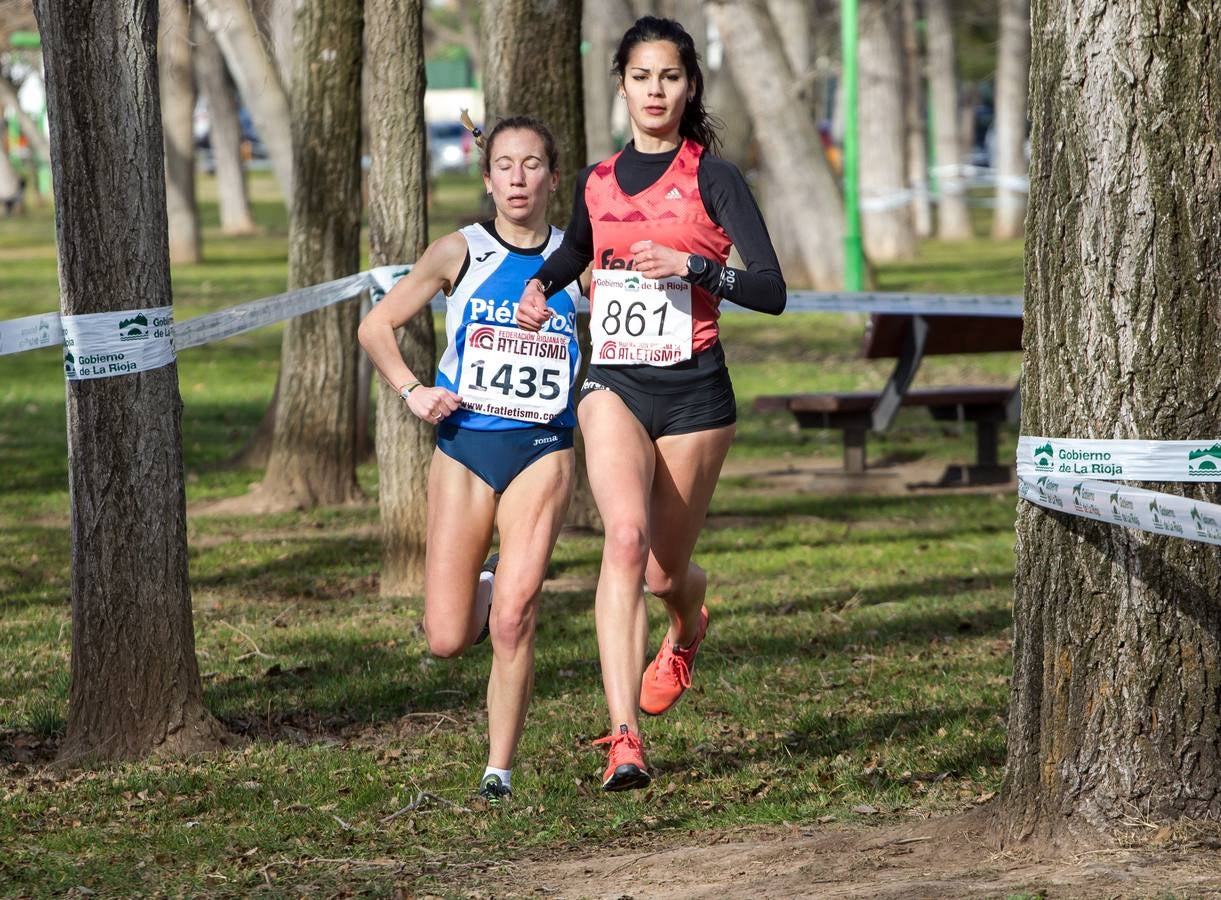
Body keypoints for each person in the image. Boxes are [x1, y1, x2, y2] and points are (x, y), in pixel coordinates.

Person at [517, 16, 786, 791]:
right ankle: (624, 739)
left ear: (689, 86)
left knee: (667, 576)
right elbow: (574, 250)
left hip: (697, 395)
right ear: (622, 84)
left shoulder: (714, 177)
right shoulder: (596, 181)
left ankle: (685, 624)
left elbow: (769, 290)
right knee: (624, 540)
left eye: (669, 76)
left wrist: (695, 266)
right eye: (641, 76)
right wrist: (541, 287)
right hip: (616, 383)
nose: (655, 90)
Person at [359, 116, 584, 803]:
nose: (518, 178)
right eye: (505, 166)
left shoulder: (580, 261)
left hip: (542, 447)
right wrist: (413, 391)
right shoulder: (460, 250)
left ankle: (498, 771)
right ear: (487, 180)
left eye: (532, 165)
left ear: (552, 176)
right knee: (448, 638)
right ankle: (482, 589)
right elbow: (376, 326)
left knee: (518, 617)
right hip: (464, 447)